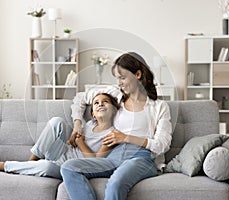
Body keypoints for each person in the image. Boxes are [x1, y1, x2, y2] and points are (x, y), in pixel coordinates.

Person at [61, 52, 173, 200]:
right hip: (113, 156)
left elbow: (162, 144)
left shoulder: (159, 107)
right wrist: (77, 124)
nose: (119, 83)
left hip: (140, 158)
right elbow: (81, 97)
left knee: (115, 183)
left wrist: (126, 137)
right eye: (117, 78)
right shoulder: (117, 97)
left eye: (122, 77)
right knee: (68, 167)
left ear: (138, 74)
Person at [0, 93, 120, 179]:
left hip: (69, 166)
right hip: (62, 154)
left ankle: (2, 166)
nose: (100, 104)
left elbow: (98, 163)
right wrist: (72, 138)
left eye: (105, 102)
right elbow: (72, 140)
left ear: (114, 110)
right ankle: (30, 162)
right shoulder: (87, 125)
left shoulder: (112, 133)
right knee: (57, 121)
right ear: (93, 113)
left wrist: (81, 143)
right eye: (96, 103)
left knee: (47, 167)